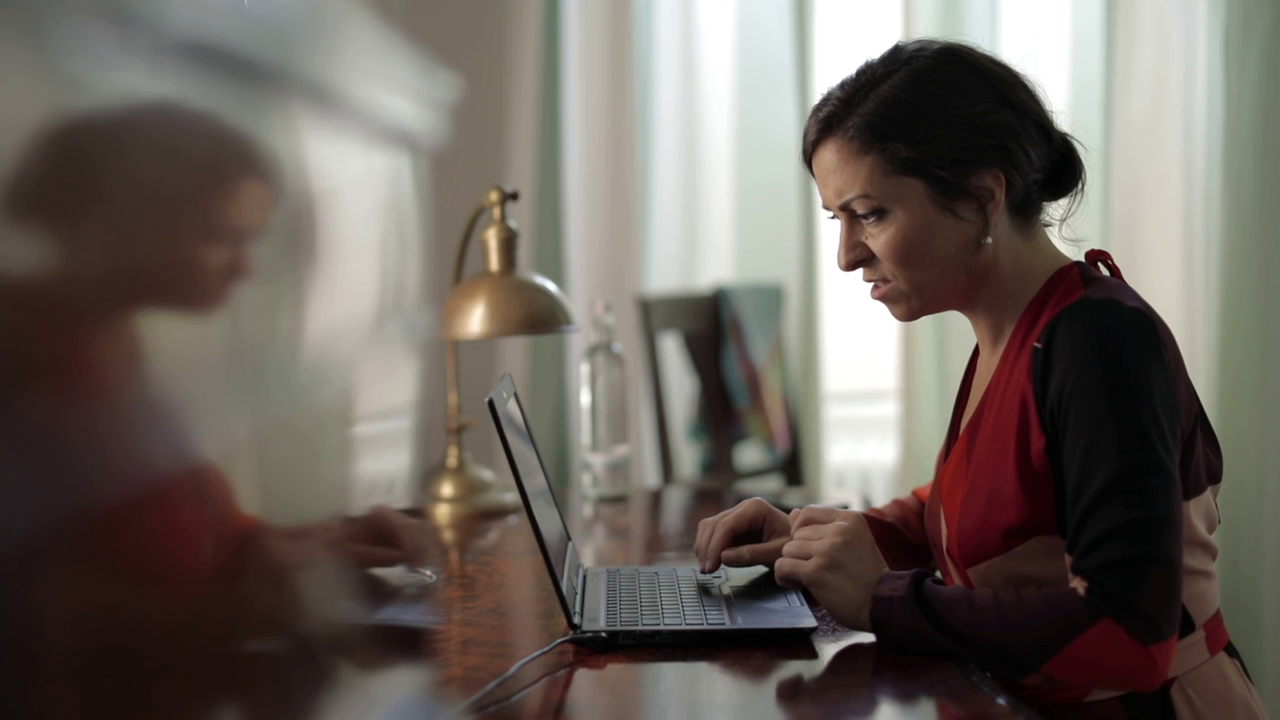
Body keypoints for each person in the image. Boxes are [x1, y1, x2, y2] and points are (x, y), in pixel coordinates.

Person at [693, 39, 1265, 718]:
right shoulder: (1016, 333)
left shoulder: (1098, 341)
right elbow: (989, 504)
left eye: (870, 214)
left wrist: (884, 599)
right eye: (837, 220)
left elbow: (1127, 638)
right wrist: (815, 544)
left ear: (981, 197)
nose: (846, 256)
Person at [0, 102, 428, 717]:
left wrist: (330, 544)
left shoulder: (113, 347)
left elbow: (188, 541)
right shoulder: (29, 362)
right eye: (220, 238)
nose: (245, 268)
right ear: (130, 224)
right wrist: (268, 599)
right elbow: (61, 632)